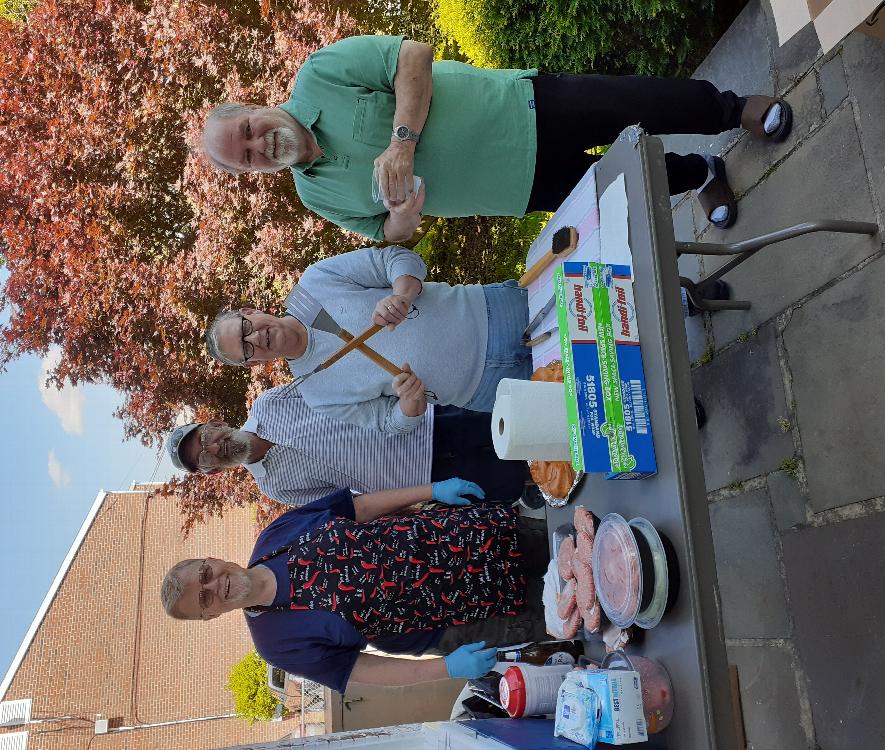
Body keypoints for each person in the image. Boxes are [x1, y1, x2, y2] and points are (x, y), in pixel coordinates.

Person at [199, 35, 792, 241]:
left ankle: (733, 110)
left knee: (634, 104)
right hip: (513, 186)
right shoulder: (313, 196)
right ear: (253, 173)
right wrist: (404, 213)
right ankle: (702, 176)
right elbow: (385, 232)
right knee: (620, 187)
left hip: (522, 108)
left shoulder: (319, 74)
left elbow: (413, 56)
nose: (260, 146)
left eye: (249, 131)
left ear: (252, 106)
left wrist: (402, 139)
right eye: (247, 158)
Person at [160, 481, 550, 692]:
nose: (215, 584)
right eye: (204, 597)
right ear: (209, 615)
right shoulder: (275, 644)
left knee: (578, 535)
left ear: (209, 559)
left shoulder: (273, 536)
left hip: (468, 536)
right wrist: (446, 668)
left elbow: (358, 508)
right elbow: (363, 669)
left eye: (205, 573)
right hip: (464, 617)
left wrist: (431, 491)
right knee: (572, 612)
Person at [205, 245, 531, 433]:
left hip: (493, 313)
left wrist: (401, 295)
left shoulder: (315, 282)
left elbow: (396, 259)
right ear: (253, 363)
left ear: (250, 311)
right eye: (247, 348)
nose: (257, 338)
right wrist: (409, 403)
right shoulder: (316, 393)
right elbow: (390, 424)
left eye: (246, 327)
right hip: (484, 389)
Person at [165, 384, 529, 505]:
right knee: (523, 478)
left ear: (213, 424)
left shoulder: (269, 402)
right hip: (429, 476)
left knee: (524, 424)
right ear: (212, 472)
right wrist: (424, 497)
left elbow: (344, 389)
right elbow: (352, 503)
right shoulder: (273, 487)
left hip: (429, 421)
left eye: (204, 440)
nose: (214, 449)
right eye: (204, 459)